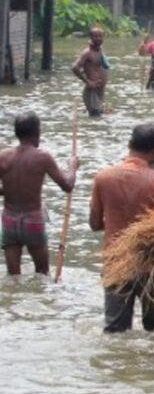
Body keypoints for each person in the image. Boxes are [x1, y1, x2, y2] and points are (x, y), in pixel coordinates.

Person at [91, 124, 154, 333]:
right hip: (150, 263)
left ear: (130, 145)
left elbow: (95, 224)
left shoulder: (104, 177)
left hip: (115, 262)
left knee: (115, 330)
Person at [0, 114, 78, 275]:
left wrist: (9, 190)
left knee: (13, 276)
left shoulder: (3, 156)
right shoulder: (42, 157)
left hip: (9, 221)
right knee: (42, 273)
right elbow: (67, 185)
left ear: (17, 133)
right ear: (37, 133)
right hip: (32, 221)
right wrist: (73, 166)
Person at [72, 27, 108, 117]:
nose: (98, 38)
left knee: (99, 116)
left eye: (100, 36)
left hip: (100, 90)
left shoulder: (100, 50)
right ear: (91, 38)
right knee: (95, 116)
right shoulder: (87, 53)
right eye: (95, 36)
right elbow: (74, 67)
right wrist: (88, 82)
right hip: (92, 90)